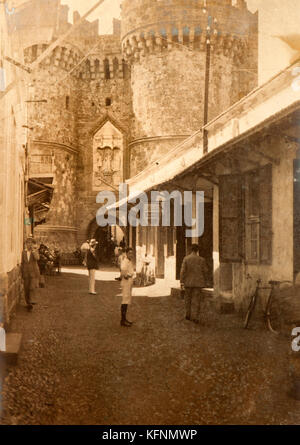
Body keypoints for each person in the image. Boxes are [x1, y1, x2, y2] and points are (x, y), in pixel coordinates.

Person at [180, 244, 208, 324]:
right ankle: (196, 317)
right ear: (197, 250)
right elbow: (205, 271)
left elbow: (182, 271)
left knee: (187, 299)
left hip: (188, 282)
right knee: (197, 300)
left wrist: (182, 281)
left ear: (191, 250)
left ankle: (188, 314)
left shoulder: (186, 259)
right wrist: (205, 279)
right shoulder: (201, 260)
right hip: (198, 283)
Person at [21, 237, 40, 311]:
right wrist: (22, 273)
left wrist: (33, 251)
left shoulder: (34, 251)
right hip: (26, 273)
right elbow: (22, 263)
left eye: (30, 243)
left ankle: (31, 303)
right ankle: (28, 303)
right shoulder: (23, 252)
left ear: (32, 244)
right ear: (25, 244)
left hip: (33, 273)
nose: (29, 244)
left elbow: (37, 258)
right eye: (27, 243)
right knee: (26, 289)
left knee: (31, 288)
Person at [120, 247, 135, 327]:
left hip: (129, 282)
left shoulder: (129, 261)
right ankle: (122, 320)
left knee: (127, 300)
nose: (131, 255)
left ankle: (124, 319)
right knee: (125, 301)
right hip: (126, 282)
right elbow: (123, 271)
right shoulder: (125, 261)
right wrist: (127, 275)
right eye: (129, 253)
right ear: (126, 253)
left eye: (132, 253)